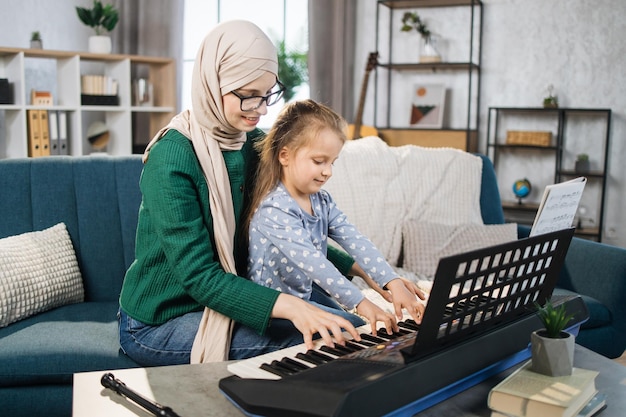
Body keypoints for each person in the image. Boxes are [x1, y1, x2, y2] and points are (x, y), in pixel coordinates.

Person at [118, 20, 371, 367]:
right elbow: (200, 277)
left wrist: (366, 271)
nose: (262, 108)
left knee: (358, 329)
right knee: (324, 341)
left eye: (268, 94)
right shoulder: (171, 158)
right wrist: (295, 307)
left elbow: (284, 230)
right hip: (161, 319)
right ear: (213, 82)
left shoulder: (253, 144)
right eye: (248, 95)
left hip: (235, 295)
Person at [244, 99, 426, 337]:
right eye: (319, 161)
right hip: (276, 309)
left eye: (332, 162)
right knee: (352, 328)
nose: (328, 171)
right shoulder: (274, 210)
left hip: (305, 294)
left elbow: (355, 240)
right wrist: (361, 303)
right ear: (285, 156)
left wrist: (392, 281)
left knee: (356, 326)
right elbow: (317, 266)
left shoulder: (322, 201)